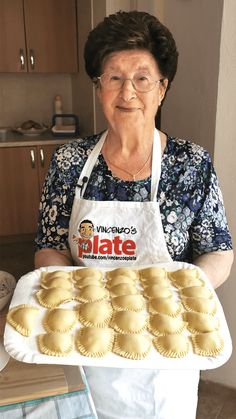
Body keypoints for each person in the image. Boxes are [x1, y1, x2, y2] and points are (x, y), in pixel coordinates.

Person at [35, 10, 234, 419]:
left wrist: (182, 290)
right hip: (86, 347)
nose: (128, 92)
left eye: (142, 78)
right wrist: (72, 292)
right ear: (98, 86)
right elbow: (49, 247)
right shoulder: (70, 161)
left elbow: (219, 252)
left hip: (166, 357)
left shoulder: (190, 164)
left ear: (162, 88)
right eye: (114, 77)